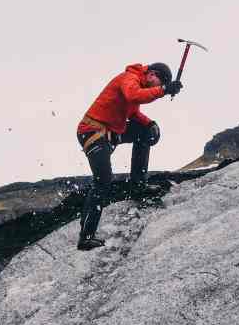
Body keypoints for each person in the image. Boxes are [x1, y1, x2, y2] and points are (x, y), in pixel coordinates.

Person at [75, 62, 183, 250]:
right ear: (151, 74)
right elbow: (133, 95)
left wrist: (151, 124)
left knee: (145, 132)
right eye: (158, 83)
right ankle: (86, 237)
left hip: (110, 133)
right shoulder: (130, 79)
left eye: (160, 85)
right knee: (103, 181)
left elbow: (133, 112)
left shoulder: (138, 83)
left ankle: (138, 185)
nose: (157, 87)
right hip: (92, 132)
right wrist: (165, 90)